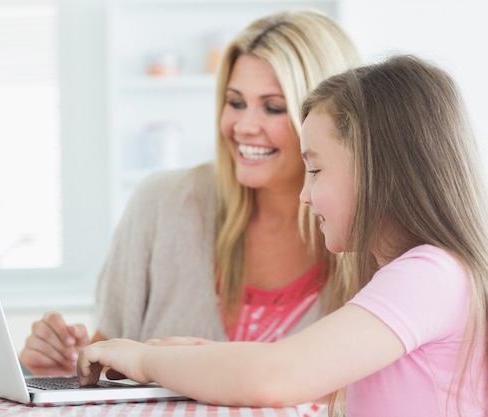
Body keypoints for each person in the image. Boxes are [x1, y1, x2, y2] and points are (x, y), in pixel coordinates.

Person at [75, 55, 488, 416]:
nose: (305, 196)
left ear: (378, 170)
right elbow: (300, 368)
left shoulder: (430, 276)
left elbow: (277, 374)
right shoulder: (425, 276)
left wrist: (146, 360)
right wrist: (202, 359)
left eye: (316, 170)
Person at [20, 9, 361, 376]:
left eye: (273, 107)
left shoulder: (366, 240)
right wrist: (66, 367)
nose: (244, 126)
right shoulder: (160, 204)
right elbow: (105, 365)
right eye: (235, 102)